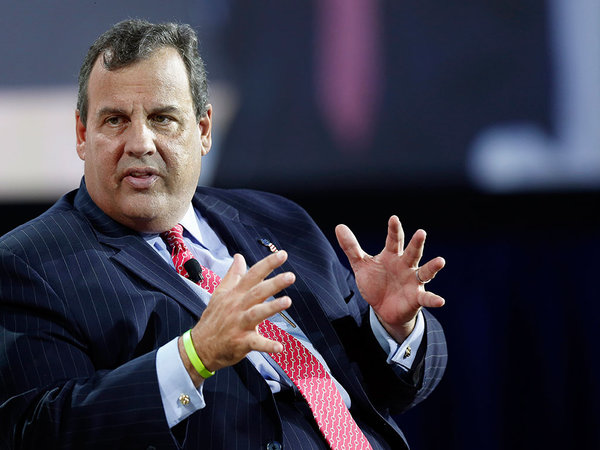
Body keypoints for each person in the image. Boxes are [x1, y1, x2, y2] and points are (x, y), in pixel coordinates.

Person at [0, 19, 447, 450]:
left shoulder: (280, 220)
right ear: (83, 134)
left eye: (162, 118)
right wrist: (194, 357)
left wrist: (392, 328)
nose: (139, 143)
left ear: (204, 130)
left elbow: (385, 392)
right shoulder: (30, 264)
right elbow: (37, 430)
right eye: (115, 120)